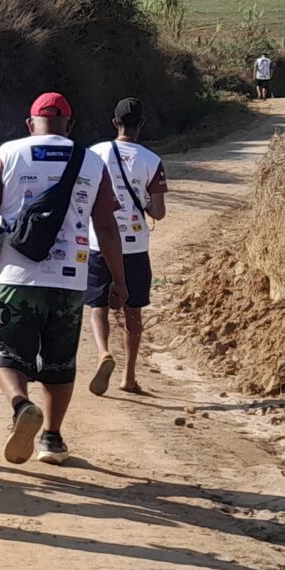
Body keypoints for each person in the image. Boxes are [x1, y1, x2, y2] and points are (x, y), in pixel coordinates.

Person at [0, 92, 127, 468]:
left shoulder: (7, 153)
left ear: (30, 123)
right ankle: (52, 438)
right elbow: (106, 225)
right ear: (69, 125)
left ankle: (21, 405)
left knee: (6, 351)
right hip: (70, 279)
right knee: (60, 361)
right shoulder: (91, 161)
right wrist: (118, 280)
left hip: (18, 277)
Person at [83, 97, 167, 398]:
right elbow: (158, 212)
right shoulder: (152, 160)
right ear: (141, 124)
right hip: (135, 246)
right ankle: (129, 376)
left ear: (114, 123)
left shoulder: (94, 154)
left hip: (99, 242)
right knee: (134, 311)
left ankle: (103, 352)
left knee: (98, 306)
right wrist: (144, 203)